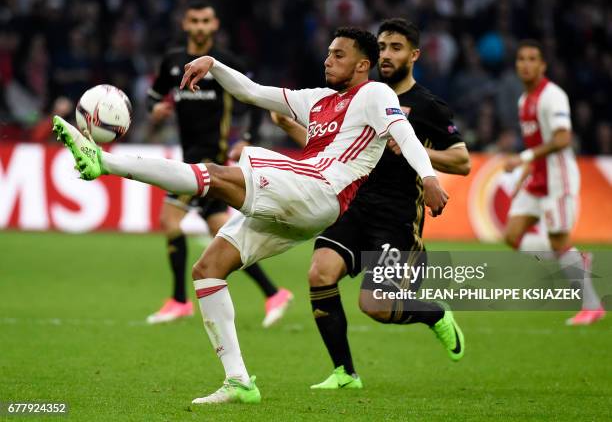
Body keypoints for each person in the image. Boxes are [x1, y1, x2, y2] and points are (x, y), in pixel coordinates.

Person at [53, 26, 449, 404]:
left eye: (339, 55)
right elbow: (253, 92)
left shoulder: (376, 93)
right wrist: (213, 63)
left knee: (216, 175)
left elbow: (406, 135)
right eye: (328, 53)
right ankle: (238, 381)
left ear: (363, 64)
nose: (328, 60)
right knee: (208, 269)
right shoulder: (316, 100)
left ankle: (104, 162)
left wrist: (428, 177)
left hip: (321, 188)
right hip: (300, 202)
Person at [271, 19, 470, 389]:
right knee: (319, 273)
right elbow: (329, 154)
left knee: (376, 306)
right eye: (381, 47)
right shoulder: (357, 97)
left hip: (395, 218)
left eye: (396, 47)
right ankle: (344, 373)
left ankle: (433, 315)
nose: (387, 54)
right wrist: (289, 127)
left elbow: (463, 161)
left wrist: (421, 153)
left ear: (414, 55)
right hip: (353, 206)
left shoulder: (426, 105)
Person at [145, 0, 292, 327]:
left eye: (205, 21)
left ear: (214, 26)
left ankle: (179, 301)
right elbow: (152, 100)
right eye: (194, 20)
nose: (199, 26)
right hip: (188, 158)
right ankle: (274, 292)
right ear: (185, 24)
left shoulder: (224, 63)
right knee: (221, 234)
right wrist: (155, 114)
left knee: (170, 221)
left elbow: (255, 99)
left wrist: (250, 136)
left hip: (211, 162)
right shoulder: (172, 62)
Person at [503, 39, 605, 325]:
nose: (526, 64)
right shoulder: (524, 101)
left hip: (558, 179)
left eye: (532, 59)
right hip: (536, 178)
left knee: (558, 241)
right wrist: (524, 173)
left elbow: (562, 139)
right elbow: (536, 142)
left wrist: (522, 158)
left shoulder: (553, 96)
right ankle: (575, 257)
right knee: (512, 235)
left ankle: (592, 306)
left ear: (543, 65)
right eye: (521, 58)